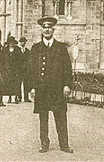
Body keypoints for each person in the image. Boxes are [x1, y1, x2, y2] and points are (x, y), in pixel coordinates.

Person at [27, 16, 73, 153]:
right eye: (44, 27)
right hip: (42, 89)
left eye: (49, 27)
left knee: (61, 117)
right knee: (43, 118)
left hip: (57, 89)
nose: (47, 29)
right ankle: (44, 144)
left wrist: (67, 85)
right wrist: (32, 87)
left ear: (53, 29)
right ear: (41, 30)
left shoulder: (60, 48)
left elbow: (67, 68)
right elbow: (31, 70)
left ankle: (64, 145)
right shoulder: (36, 48)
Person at [1, 36, 22, 103]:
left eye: (12, 42)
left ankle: (16, 97)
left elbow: (20, 59)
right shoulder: (5, 49)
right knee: (9, 84)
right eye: (10, 42)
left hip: (16, 69)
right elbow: (2, 59)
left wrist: (19, 67)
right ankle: (9, 97)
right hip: (8, 69)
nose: (11, 44)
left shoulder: (17, 49)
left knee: (16, 84)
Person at [18, 36, 31, 102]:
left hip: (26, 70)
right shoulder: (17, 50)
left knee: (26, 83)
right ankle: (19, 97)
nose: (22, 43)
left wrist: (26, 65)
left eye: (23, 41)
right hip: (19, 69)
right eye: (21, 42)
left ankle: (26, 97)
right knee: (18, 83)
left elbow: (29, 60)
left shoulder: (28, 51)